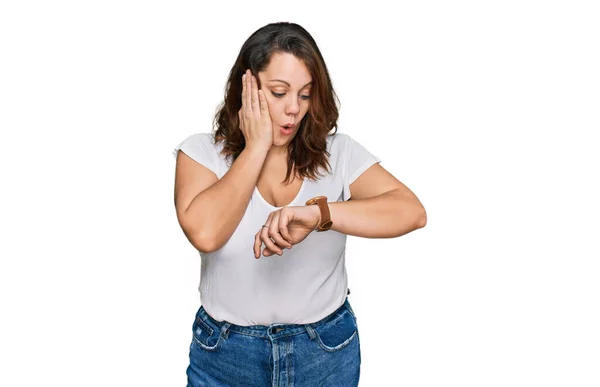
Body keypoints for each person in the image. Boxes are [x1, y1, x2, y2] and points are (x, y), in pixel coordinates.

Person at [172, 21, 427, 387]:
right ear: (246, 88)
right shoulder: (201, 153)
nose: (293, 109)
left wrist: (318, 214)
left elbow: (411, 212)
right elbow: (206, 233)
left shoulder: (338, 152)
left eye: (305, 95)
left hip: (324, 352)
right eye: (279, 93)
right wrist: (257, 145)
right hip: (225, 358)